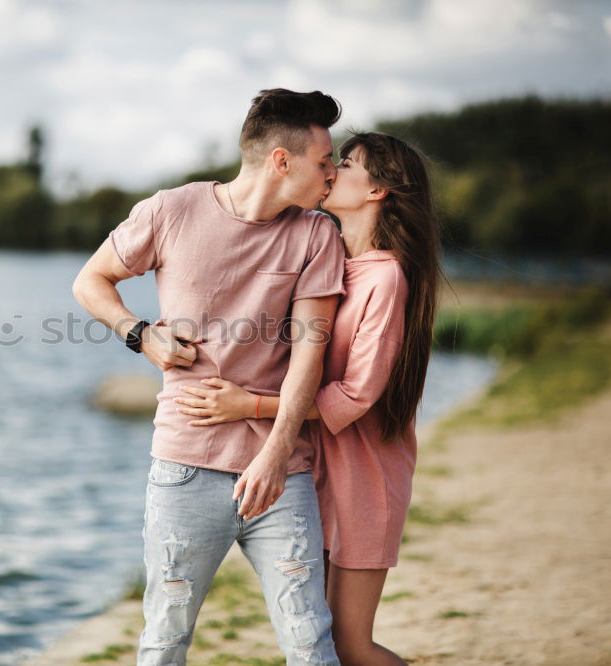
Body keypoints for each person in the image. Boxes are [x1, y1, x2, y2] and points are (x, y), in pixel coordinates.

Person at [72, 89, 348, 665]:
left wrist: (274, 455)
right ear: (281, 159)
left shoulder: (316, 233)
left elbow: (308, 358)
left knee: (310, 638)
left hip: (283, 471)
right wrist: (139, 333)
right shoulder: (171, 210)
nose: (333, 173)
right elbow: (91, 281)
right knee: (165, 637)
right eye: (324, 161)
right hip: (185, 468)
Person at [174, 132, 440, 665]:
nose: (333, 170)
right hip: (313, 470)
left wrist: (248, 405)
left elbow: (356, 394)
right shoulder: (332, 259)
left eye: (347, 163)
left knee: (351, 645)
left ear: (378, 190)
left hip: (365, 477)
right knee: (315, 638)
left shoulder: (385, 278)